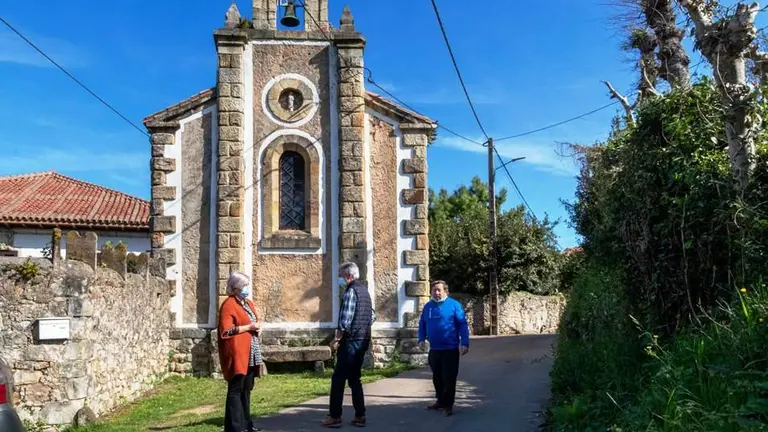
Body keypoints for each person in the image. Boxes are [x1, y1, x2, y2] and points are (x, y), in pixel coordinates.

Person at [322, 262, 375, 428]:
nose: (340, 280)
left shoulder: (351, 291)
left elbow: (345, 320)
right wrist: (362, 327)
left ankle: (335, 416)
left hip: (351, 340)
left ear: (349, 276)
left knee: (338, 378)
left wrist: (337, 339)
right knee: (354, 378)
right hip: (363, 339)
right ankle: (360, 415)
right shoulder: (364, 291)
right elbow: (372, 316)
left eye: (341, 276)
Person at [218, 272, 264, 432]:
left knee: (247, 388)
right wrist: (249, 327)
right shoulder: (229, 305)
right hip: (238, 353)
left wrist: (258, 326)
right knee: (236, 389)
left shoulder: (247, 303)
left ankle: (247, 424)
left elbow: (256, 319)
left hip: (251, 352)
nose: (246, 289)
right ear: (235, 288)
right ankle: (235, 427)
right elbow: (226, 331)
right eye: (244, 286)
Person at [417, 280, 470, 417]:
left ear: (446, 291)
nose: (436, 292)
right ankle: (440, 401)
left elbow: (462, 324)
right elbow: (422, 323)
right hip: (434, 349)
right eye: (434, 290)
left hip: (450, 349)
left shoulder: (454, 305)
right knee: (437, 377)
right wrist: (421, 338)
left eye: (439, 290)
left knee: (449, 378)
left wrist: (465, 343)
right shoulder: (428, 306)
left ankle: (448, 405)